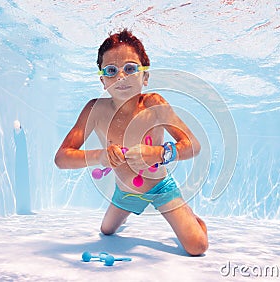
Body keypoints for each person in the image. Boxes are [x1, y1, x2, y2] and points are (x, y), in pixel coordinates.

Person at [55, 28, 208, 256]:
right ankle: (128, 211)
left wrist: (159, 153)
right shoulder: (93, 110)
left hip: (160, 188)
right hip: (124, 191)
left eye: (129, 68)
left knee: (197, 247)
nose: (120, 77)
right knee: (106, 231)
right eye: (111, 70)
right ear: (103, 80)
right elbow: (61, 158)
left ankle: (195, 221)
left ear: (145, 77)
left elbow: (193, 145)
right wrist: (99, 156)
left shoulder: (154, 104)